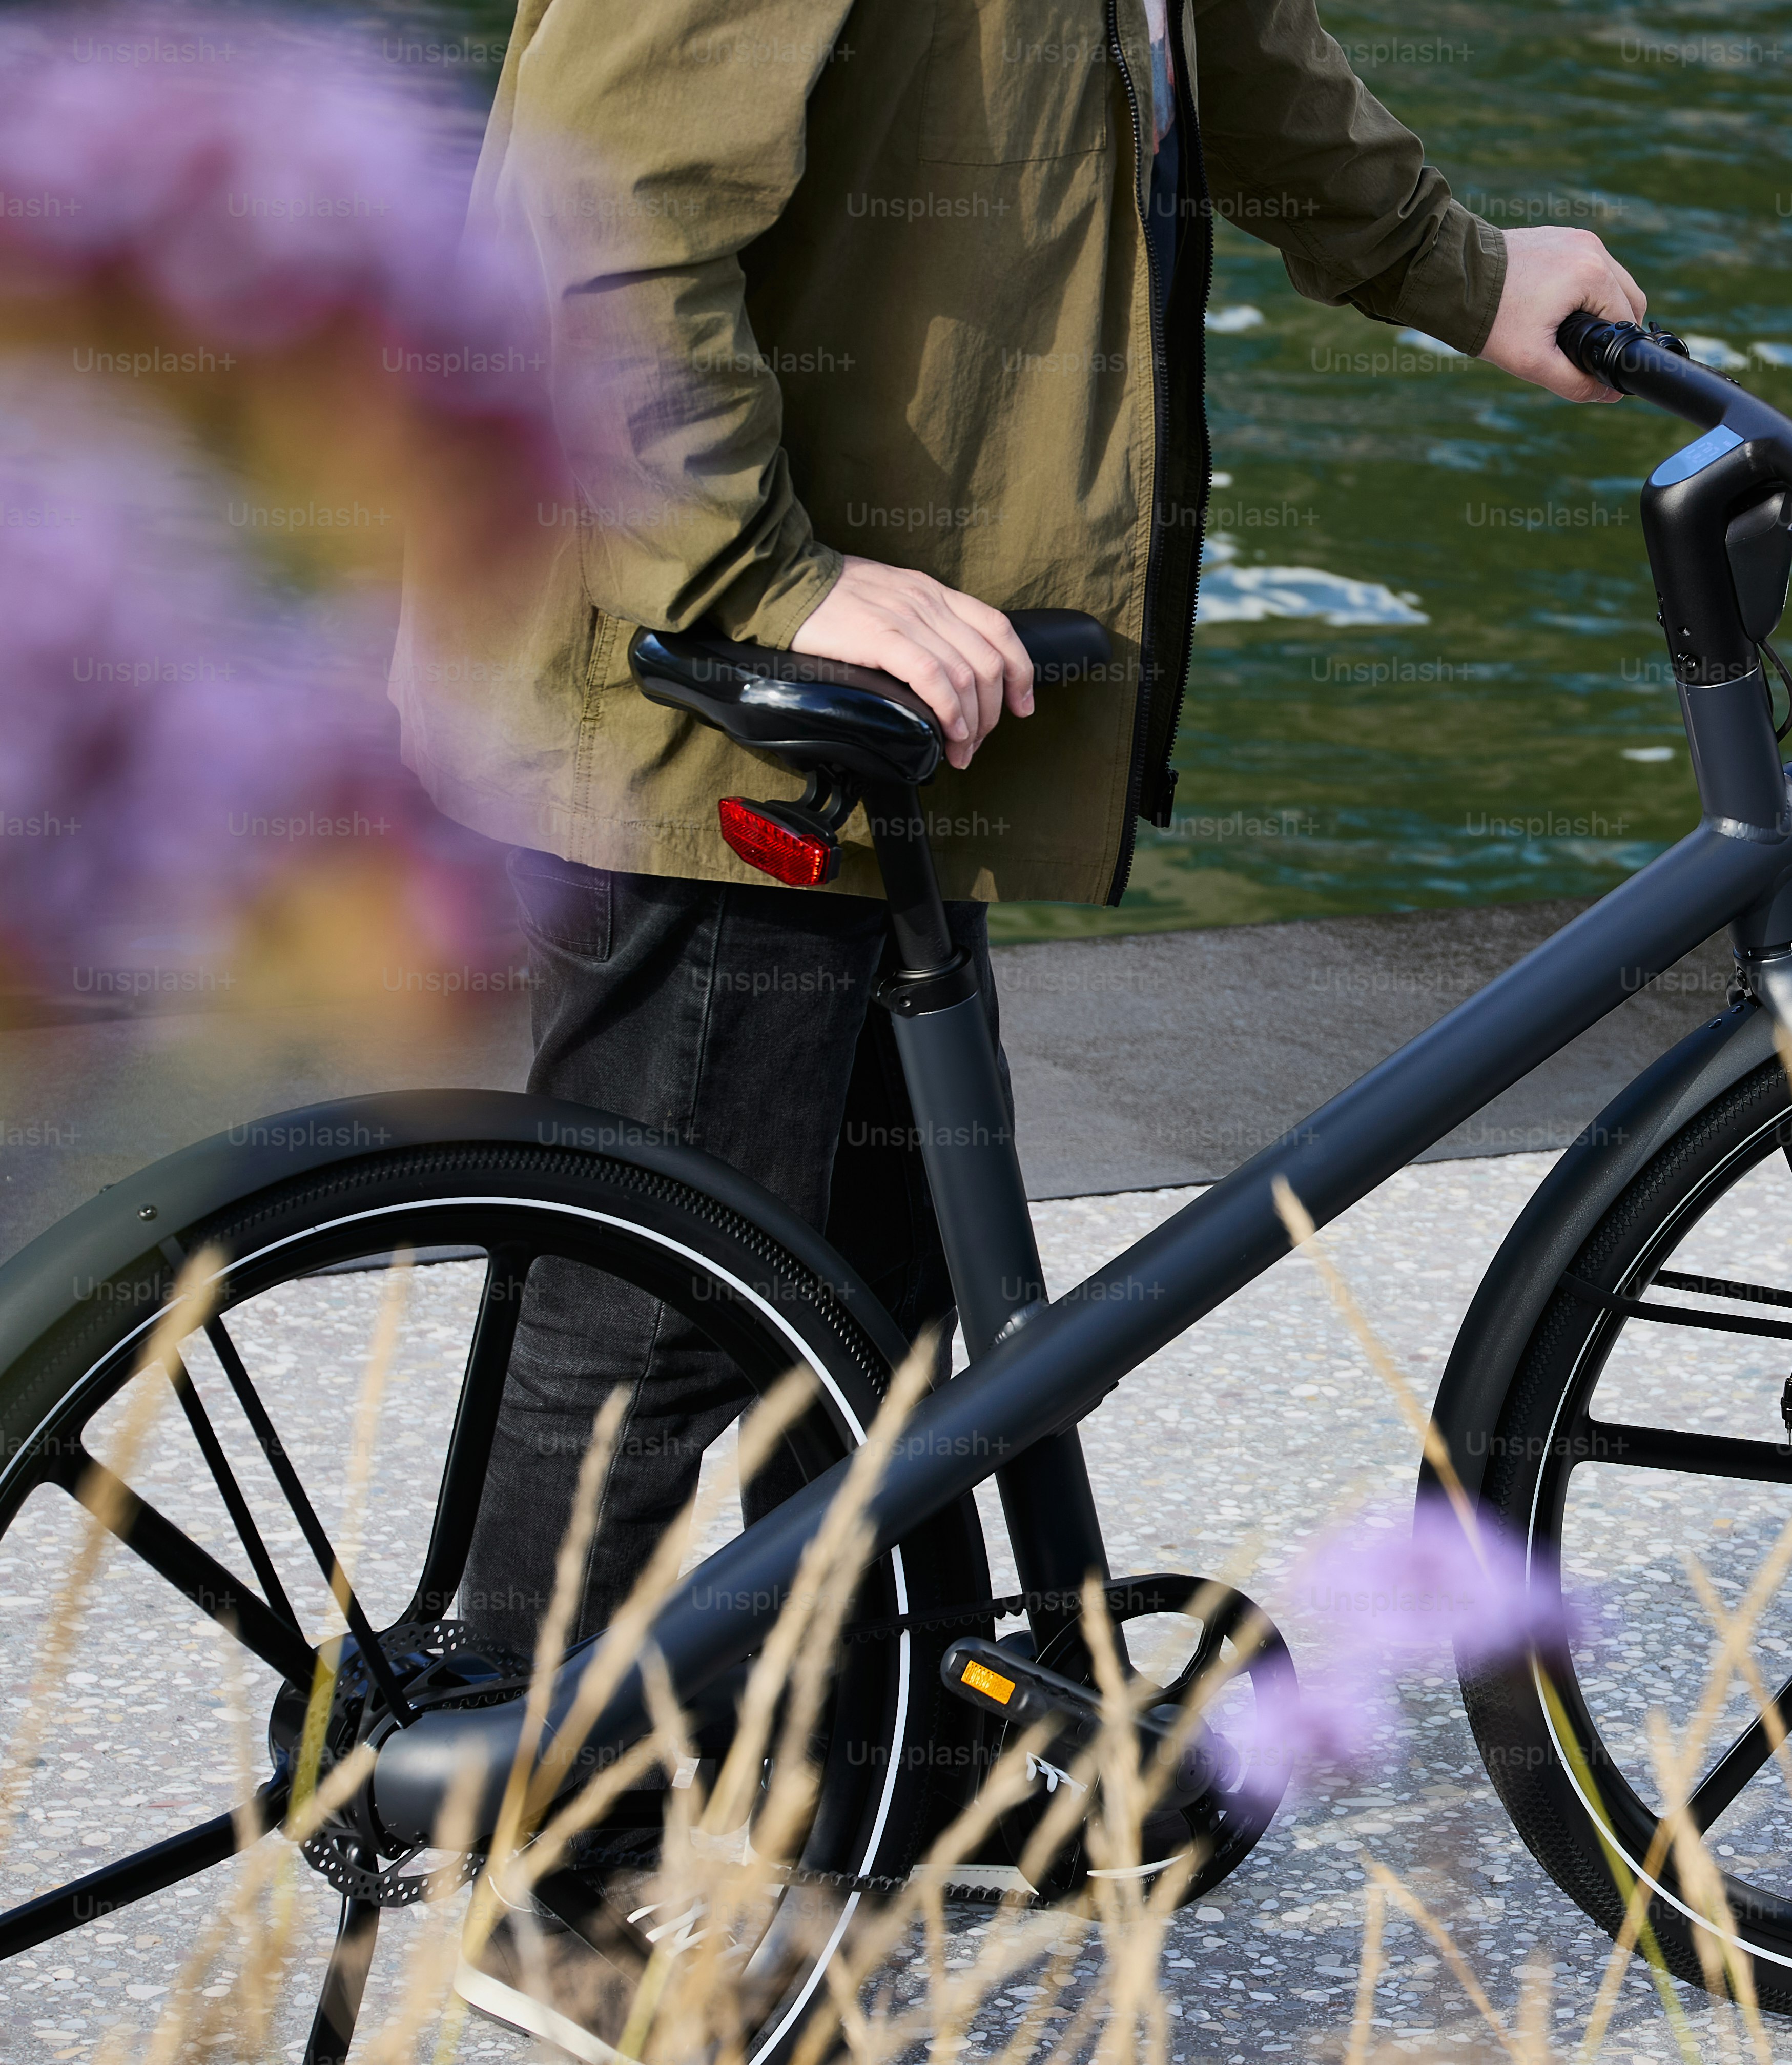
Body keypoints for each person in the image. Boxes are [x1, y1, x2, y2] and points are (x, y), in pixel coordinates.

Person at [389, 0, 1646, 1661]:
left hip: (893, 687)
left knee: (878, 1301)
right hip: (701, 693)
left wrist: (1462, 270)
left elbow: (1221, 57)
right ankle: (549, 1870)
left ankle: (861, 1786)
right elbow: (590, 231)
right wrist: (770, 584)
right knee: (664, 1313)